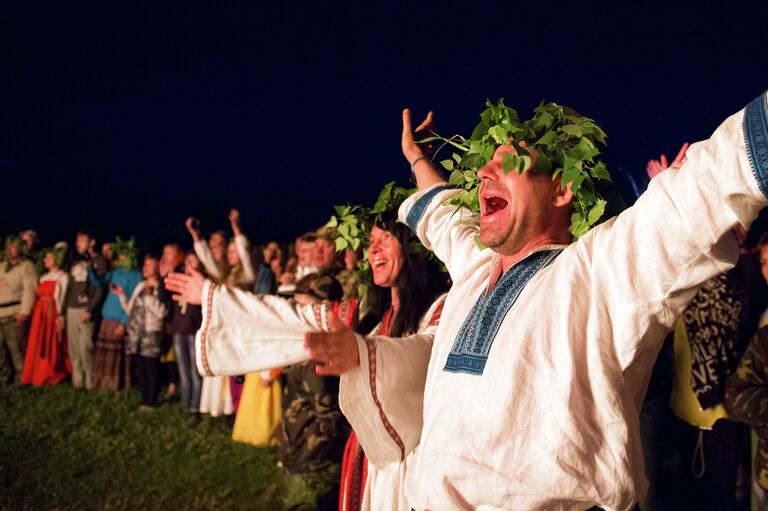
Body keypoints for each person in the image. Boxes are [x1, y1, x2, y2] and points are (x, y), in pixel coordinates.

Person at [166, 204, 448, 511]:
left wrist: (364, 352)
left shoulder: (439, 309)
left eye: (387, 239)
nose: (374, 249)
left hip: (412, 472)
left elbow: (422, 352)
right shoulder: (372, 314)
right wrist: (216, 296)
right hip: (372, 464)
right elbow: (293, 318)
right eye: (370, 241)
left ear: (416, 247)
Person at [89, 237, 142, 390]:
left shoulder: (135, 275)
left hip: (120, 319)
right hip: (107, 317)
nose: (121, 257)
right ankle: (101, 383)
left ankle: (117, 384)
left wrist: (124, 322)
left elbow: (132, 300)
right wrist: (91, 270)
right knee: (105, 355)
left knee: (117, 357)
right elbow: (100, 282)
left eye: (124, 254)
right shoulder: (116, 272)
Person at [119, 254, 169, 410]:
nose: (145, 268)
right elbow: (130, 309)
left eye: (149, 265)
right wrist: (121, 295)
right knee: (140, 367)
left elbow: (162, 313)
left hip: (151, 334)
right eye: (144, 265)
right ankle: (144, 399)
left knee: (151, 367)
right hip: (136, 334)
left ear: (157, 269)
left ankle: (152, 401)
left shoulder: (161, 287)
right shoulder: (141, 286)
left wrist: (149, 297)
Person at [63, 230, 107, 390]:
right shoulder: (75, 262)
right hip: (72, 308)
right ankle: (78, 381)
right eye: (77, 241)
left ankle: (90, 381)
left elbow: (99, 289)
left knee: (85, 346)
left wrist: (90, 310)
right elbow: (69, 287)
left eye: (81, 241)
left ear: (91, 243)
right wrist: (62, 312)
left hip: (86, 309)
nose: (78, 244)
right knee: (74, 348)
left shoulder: (99, 261)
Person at [21, 246, 69, 386]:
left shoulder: (63, 276)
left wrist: (60, 315)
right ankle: (36, 372)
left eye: (49, 258)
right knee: (38, 339)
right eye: (45, 258)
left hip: (51, 311)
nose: (45, 260)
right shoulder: (43, 277)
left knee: (51, 340)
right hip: (40, 312)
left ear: (57, 260)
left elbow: (62, 297)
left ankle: (52, 372)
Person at [169, 251, 204, 412]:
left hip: (193, 333)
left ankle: (195, 406)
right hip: (178, 332)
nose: (189, 263)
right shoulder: (179, 281)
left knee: (194, 372)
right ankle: (184, 404)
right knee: (183, 371)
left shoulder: (201, 283)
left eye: (193, 260)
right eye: (187, 260)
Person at [0, 236, 38, 384]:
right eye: (9, 246)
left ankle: (22, 378)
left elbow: (30, 289)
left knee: (17, 349)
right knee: (1, 352)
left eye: (14, 246)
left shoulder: (26, 266)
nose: (11, 249)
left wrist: (25, 311)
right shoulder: (2, 266)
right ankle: (4, 378)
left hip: (14, 313)